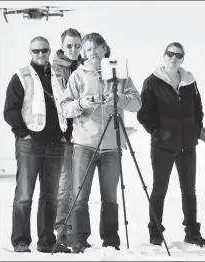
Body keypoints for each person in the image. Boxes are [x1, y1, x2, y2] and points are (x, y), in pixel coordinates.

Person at [60, 33, 141, 253]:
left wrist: (119, 99)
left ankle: (111, 239)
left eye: (96, 47)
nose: (92, 52)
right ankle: (79, 239)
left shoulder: (120, 75)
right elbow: (65, 107)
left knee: (110, 196)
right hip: (84, 145)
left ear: (105, 49)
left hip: (112, 146)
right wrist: (81, 103)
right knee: (79, 195)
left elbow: (136, 104)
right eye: (87, 49)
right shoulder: (78, 76)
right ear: (84, 54)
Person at [137, 42, 205, 248]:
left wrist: (197, 130)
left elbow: (198, 109)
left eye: (178, 55)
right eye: (170, 54)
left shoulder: (189, 81)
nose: (173, 58)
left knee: (189, 189)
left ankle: (192, 233)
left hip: (187, 144)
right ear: (164, 56)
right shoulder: (152, 81)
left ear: (182, 59)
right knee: (159, 189)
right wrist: (158, 133)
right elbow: (144, 114)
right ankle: (155, 232)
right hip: (163, 145)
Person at [3, 36, 71, 253]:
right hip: (30, 145)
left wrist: (66, 134)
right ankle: (21, 241)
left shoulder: (59, 75)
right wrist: (24, 134)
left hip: (56, 144)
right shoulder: (20, 76)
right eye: (36, 51)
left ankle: (47, 241)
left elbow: (67, 106)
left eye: (44, 50)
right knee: (24, 195)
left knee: (50, 196)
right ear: (30, 52)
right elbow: (10, 110)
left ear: (50, 51)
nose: (40, 54)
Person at [51, 27, 84, 248]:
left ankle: (74, 228)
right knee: (65, 185)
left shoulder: (83, 67)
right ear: (62, 47)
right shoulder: (53, 69)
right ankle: (61, 229)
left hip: (82, 135)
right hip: (63, 134)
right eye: (69, 45)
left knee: (78, 186)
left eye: (77, 45)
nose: (73, 49)